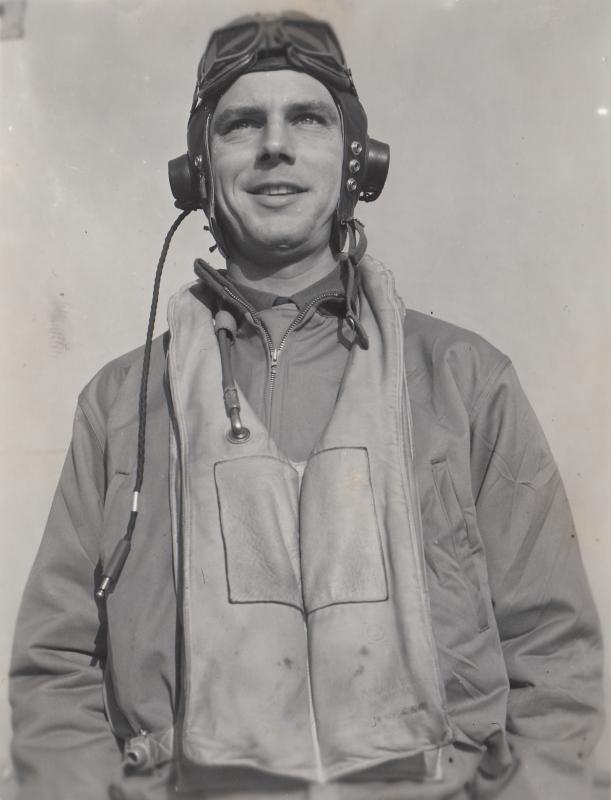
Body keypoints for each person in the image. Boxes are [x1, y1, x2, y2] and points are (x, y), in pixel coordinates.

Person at [9, 11, 603, 800]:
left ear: (358, 161)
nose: (275, 145)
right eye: (241, 123)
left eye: (308, 119)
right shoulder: (122, 404)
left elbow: (554, 655)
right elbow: (54, 673)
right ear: (197, 170)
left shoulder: (466, 380)